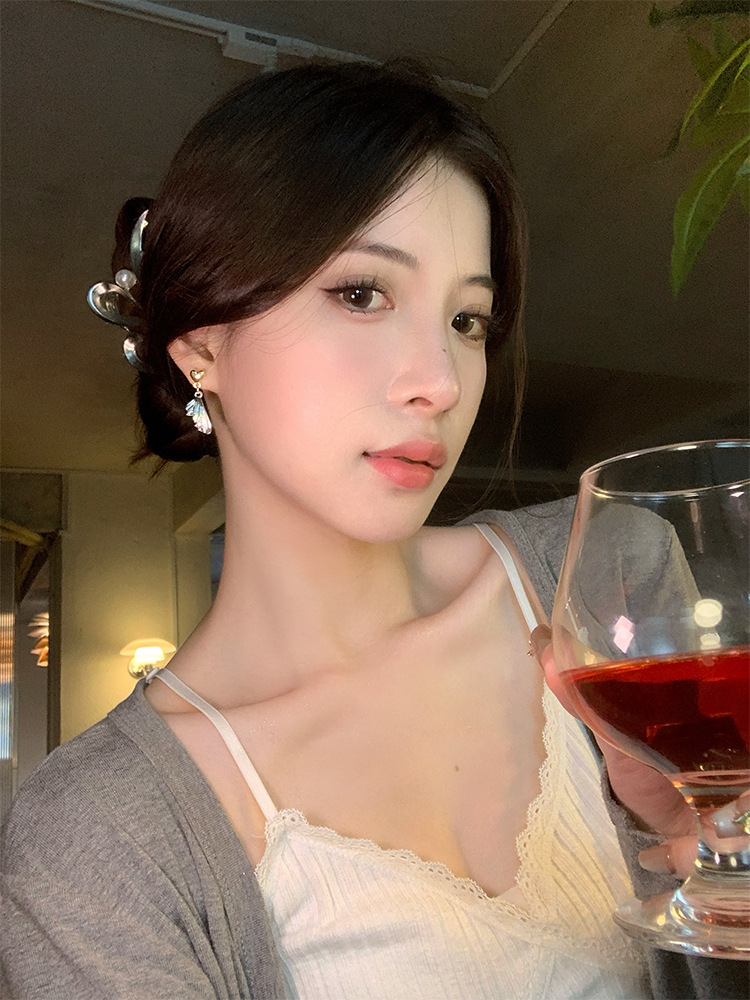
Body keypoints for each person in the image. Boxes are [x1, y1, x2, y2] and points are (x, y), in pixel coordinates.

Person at [1, 60, 746, 1000]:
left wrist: (708, 878)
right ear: (201, 348)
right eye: (361, 293)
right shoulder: (98, 844)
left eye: (468, 319)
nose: (440, 380)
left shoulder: (609, 577)